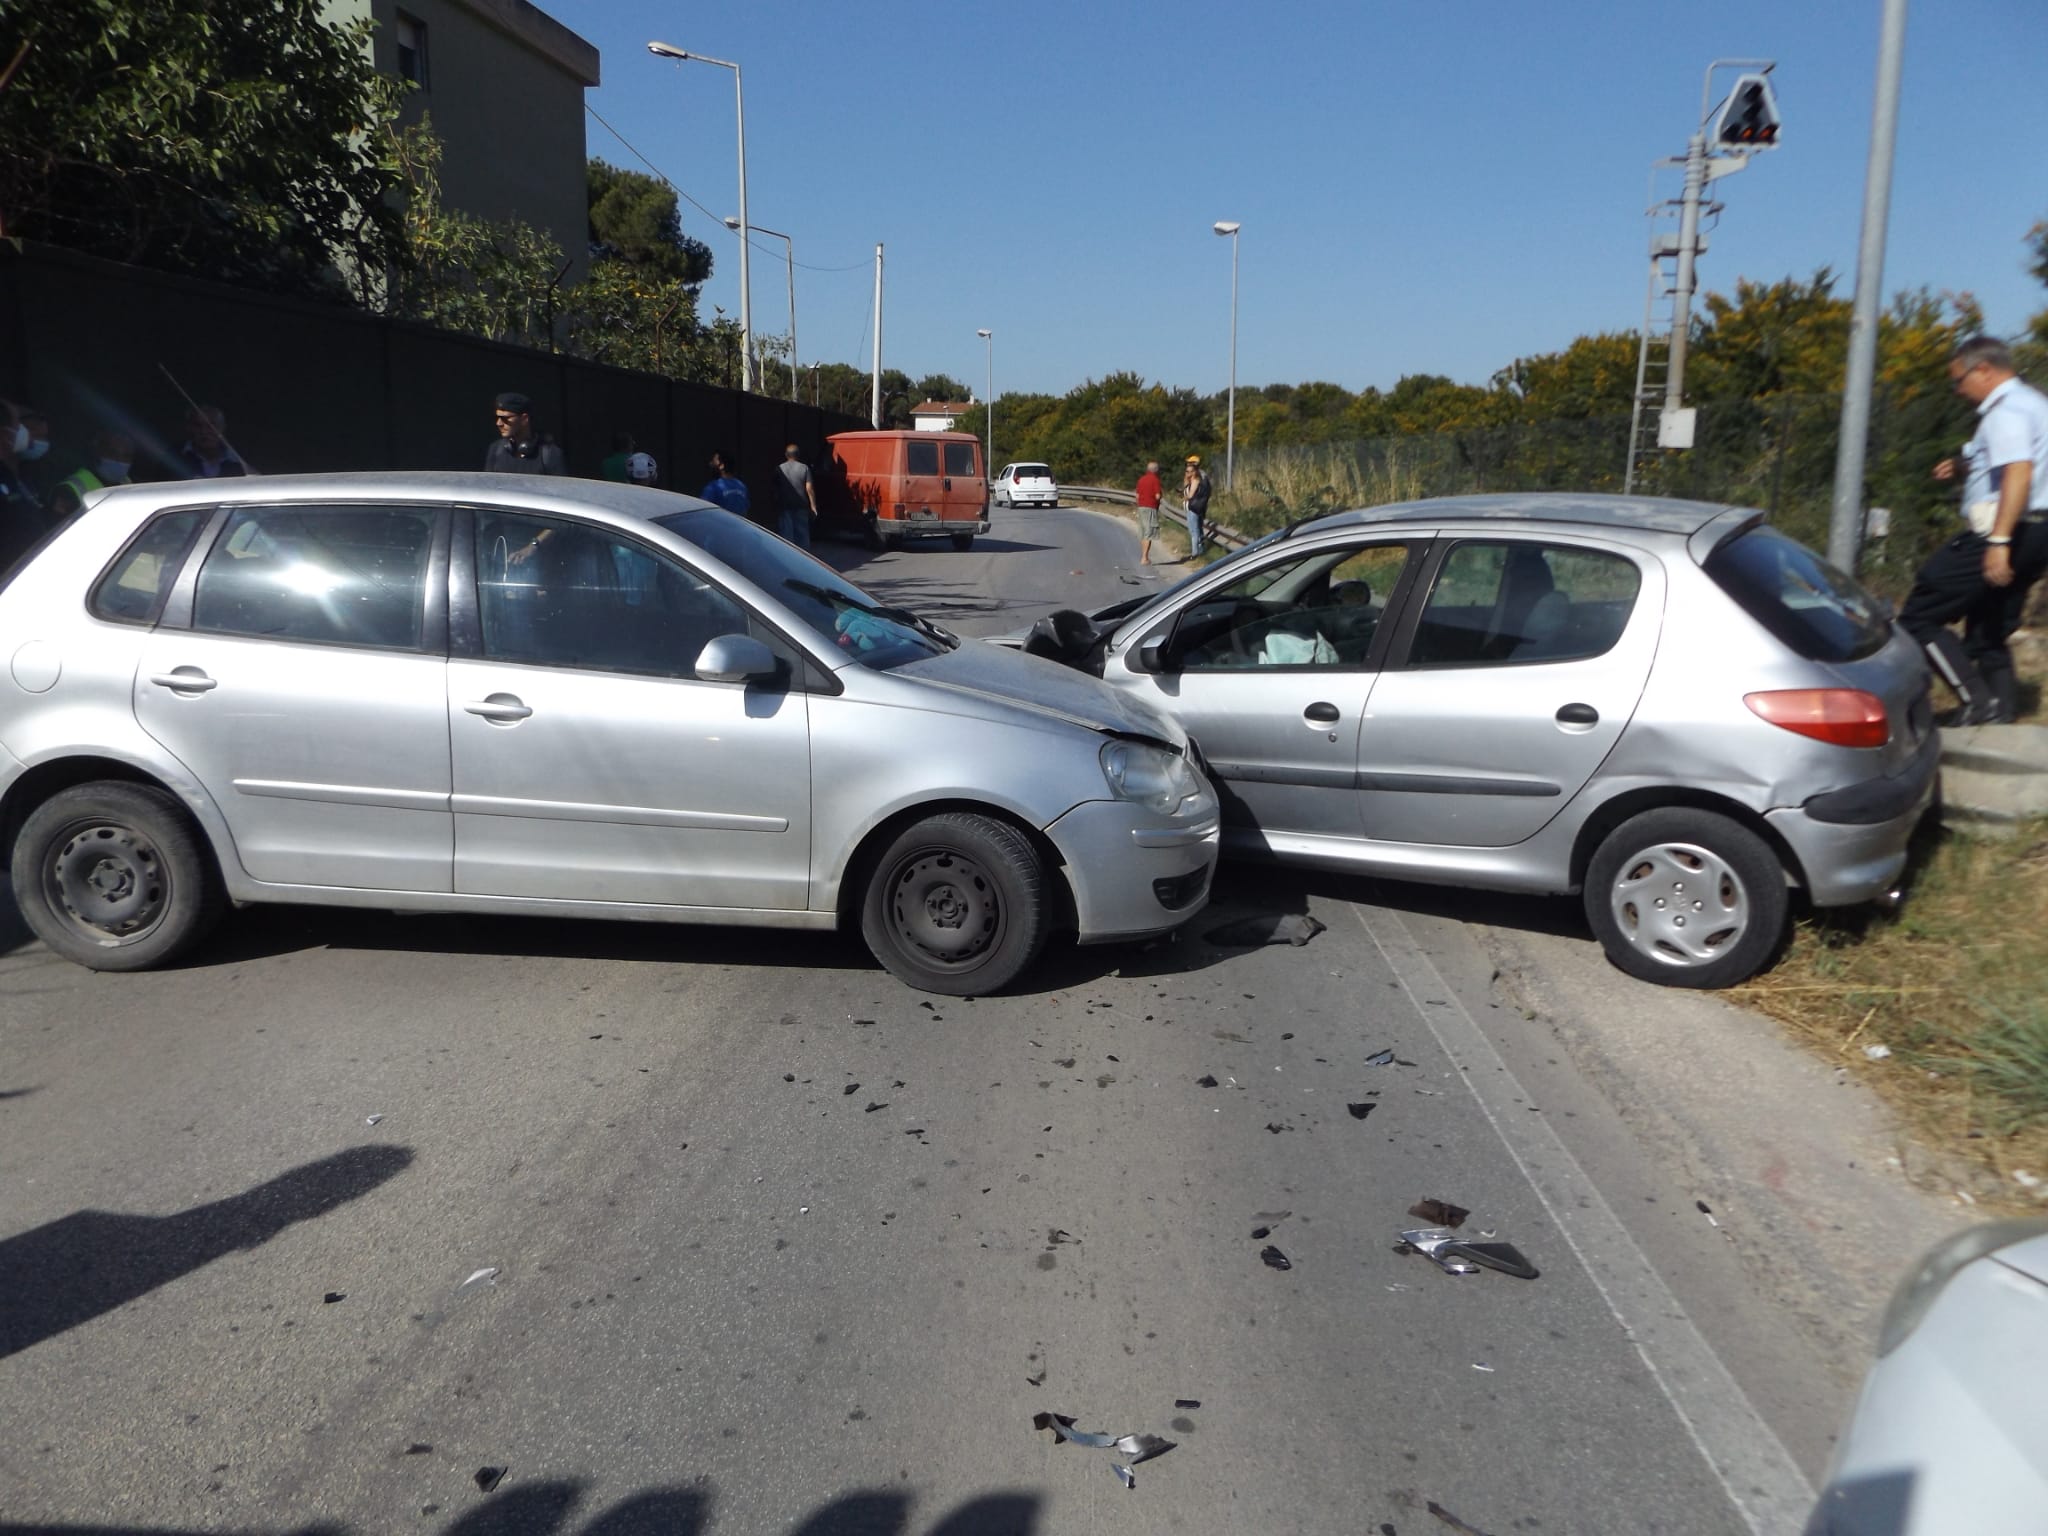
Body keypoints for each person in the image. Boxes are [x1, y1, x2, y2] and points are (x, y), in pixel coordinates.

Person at [1899, 336, 2048, 725]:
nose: (1958, 389)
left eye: (1959, 379)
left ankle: (1976, 703)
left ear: (1983, 369)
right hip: (2037, 532)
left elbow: (2019, 470)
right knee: (1989, 626)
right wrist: (1964, 466)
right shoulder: (2035, 404)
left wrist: (1998, 542)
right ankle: (2000, 712)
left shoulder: (2005, 411)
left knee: (1919, 615)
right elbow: (2009, 462)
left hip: (2001, 530)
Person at [483, 392, 566, 475]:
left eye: (505, 418)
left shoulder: (550, 454)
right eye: (497, 417)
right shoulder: (495, 450)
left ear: (524, 419)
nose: (499, 423)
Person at [175, 404, 252, 478]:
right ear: (189, 428)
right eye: (198, 426)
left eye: (211, 425)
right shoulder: (175, 457)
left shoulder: (241, 460)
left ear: (222, 427)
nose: (204, 431)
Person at [774, 442, 817, 549]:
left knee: (786, 535)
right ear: (798, 455)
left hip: (785, 505)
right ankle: (804, 557)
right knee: (802, 535)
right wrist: (813, 506)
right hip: (801, 505)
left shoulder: (779, 468)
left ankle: (788, 557)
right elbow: (809, 488)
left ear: (786, 454)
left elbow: (775, 489)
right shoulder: (804, 468)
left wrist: (776, 503)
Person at [702, 450, 750, 515]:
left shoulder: (713, 487)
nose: (711, 463)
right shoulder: (741, 486)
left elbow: (704, 512)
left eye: (714, 461)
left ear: (722, 465)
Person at [1182, 455, 1212, 561]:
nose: (1188, 465)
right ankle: (1200, 549)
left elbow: (1190, 494)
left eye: (1190, 463)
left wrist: (1184, 496)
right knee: (1198, 529)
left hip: (1194, 506)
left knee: (1194, 530)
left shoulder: (1197, 477)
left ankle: (1195, 553)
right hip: (1200, 506)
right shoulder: (1203, 475)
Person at [1134, 459, 1163, 565]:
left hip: (1141, 507)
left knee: (1143, 532)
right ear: (1156, 470)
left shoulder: (1141, 479)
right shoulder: (1155, 480)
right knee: (1149, 532)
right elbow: (1157, 496)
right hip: (1150, 507)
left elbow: (1137, 495)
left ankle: (1144, 556)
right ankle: (1144, 558)